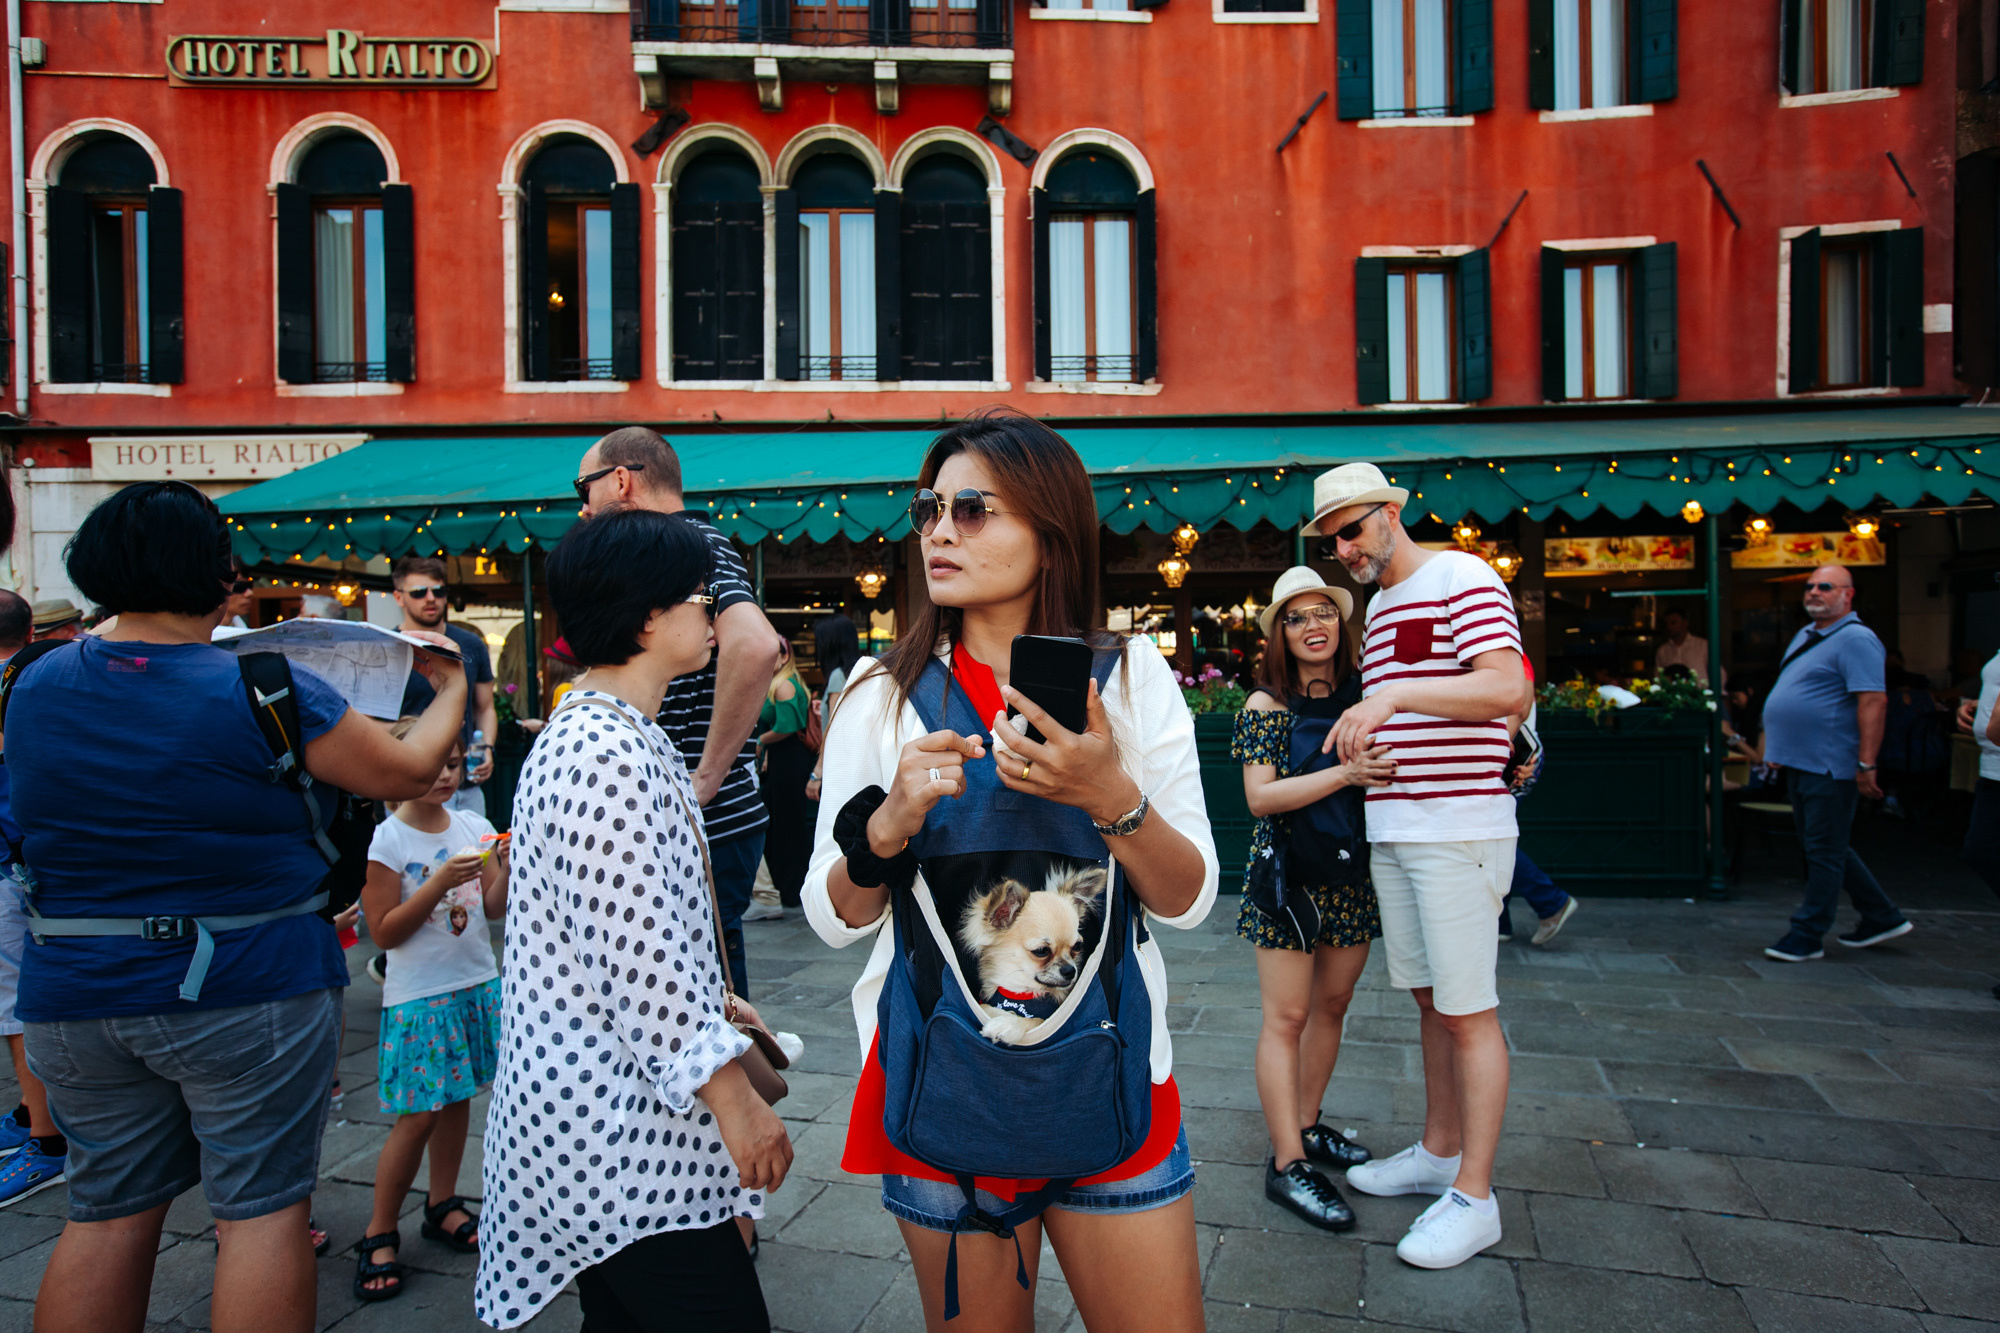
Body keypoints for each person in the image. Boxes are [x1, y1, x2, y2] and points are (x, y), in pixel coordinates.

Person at [5, 481, 466, 1333]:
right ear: (216, 577)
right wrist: (452, 685)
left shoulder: (32, 681)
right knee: (260, 1208)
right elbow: (404, 774)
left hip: (74, 985)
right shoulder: (263, 684)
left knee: (104, 1208)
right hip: (246, 980)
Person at [804, 411, 1218, 1332]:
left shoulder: (1131, 676)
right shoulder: (880, 695)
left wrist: (1110, 792)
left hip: (1112, 1072)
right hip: (940, 1077)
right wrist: (889, 826)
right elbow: (832, 917)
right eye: (929, 509)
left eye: (973, 509)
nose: (939, 531)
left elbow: (1188, 898)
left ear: (1050, 529)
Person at [475, 506, 791, 1333]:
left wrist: (718, 1006)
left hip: (608, 1124)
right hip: (613, 1139)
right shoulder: (602, 750)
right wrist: (738, 1101)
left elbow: (627, 934)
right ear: (649, 617)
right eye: (697, 596)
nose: (711, 615)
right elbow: (640, 960)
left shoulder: (617, 734)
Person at [1307, 462, 1529, 1271]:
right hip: (1400, 824)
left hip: (1457, 826)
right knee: (1435, 1001)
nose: (1343, 548)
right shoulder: (1384, 600)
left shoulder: (1461, 574)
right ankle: (1440, 1152)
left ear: (1392, 513)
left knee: (1469, 1009)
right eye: (1330, 539)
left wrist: (1392, 702)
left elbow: (1506, 684)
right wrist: (1374, 733)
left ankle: (1476, 1195)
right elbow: (1476, 699)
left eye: (1353, 528)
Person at [575, 427, 786, 996]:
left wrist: (705, 779)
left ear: (620, 480)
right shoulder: (696, 541)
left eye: (583, 487)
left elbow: (758, 645)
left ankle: (730, 1086)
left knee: (698, 989)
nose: (583, 508)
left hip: (697, 821)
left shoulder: (683, 543)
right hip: (701, 817)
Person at [1234, 566, 1392, 1231]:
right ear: (1279, 633)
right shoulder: (1265, 706)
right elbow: (1260, 797)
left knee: (1334, 1004)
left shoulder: (1366, 697)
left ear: (1341, 622)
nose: (1312, 626)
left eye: (1323, 612)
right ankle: (1286, 1162)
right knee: (1288, 1016)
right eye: (1296, 617)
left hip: (1351, 873)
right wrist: (1346, 772)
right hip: (1287, 879)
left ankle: (1306, 1120)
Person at [352, 721, 509, 1302]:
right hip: (420, 997)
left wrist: (507, 863)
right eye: (432, 764)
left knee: (460, 1097)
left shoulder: (473, 825)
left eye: (453, 763)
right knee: (417, 1114)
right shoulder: (387, 840)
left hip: (473, 983)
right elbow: (385, 933)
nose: (446, 774)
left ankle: (441, 1201)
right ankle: (378, 1227)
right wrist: (440, 879)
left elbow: (493, 909)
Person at [1759, 564, 1910, 963]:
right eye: (1809, 587)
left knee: (1823, 850)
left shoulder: (1857, 639)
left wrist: (1866, 763)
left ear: (1848, 594)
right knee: (1826, 845)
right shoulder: (1808, 635)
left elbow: (1873, 701)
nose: (1813, 593)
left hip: (1829, 762)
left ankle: (1807, 933)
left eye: (1825, 587)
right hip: (1801, 761)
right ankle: (1882, 916)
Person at [0, 587, 63, 1208]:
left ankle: (46, 1140)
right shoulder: (48, 680)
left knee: (16, 1009)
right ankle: (31, 1116)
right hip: (36, 860)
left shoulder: (14, 687)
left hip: (14, 863)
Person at [393, 556, 497, 818]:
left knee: (477, 856)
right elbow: (372, 721)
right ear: (398, 597)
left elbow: (485, 708)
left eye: (438, 591)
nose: (430, 598)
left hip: (465, 781)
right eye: (418, 592)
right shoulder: (387, 647)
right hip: (412, 784)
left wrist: (486, 748)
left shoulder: (471, 644)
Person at [756, 639, 815, 911]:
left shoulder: (784, 684)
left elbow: (788, 726)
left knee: (786, 827)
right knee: (784, 825)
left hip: (788, 763)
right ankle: (790, 889)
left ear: (784, 655)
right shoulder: (785, 681)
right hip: (785, 761)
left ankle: (790, 890)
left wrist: (760, 741)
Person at [803, 612, 862, 805]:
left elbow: (834, 729)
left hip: (839, 767)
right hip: (854, 764)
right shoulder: (858, 671)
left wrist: (817, 773)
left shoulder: (838, 676)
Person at [1653, 606, 1712, 684]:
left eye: (1673, 623)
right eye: (1666, 624)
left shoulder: (1703, 646)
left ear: (1685, 623)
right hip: (1671, 695)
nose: (1669, 627)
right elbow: (1658, 678)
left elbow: (1718, 673)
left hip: (1699, 694)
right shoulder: (1662, 651)